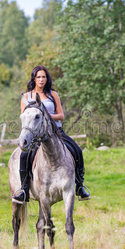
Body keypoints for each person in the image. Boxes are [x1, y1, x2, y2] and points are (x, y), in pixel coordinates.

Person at [12, 65, 91, 204]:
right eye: (38, 77)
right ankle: (24, 189)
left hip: (55, 132)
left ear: (47, 79)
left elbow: (61, 116)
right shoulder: (26, 97)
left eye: (44, 77)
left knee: (77, 150)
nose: (41, 80)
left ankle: (80, 186)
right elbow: (24, 116)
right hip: (35, 134)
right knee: (24, 155)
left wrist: (46, 116)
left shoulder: (52, 95)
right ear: (34, 79)